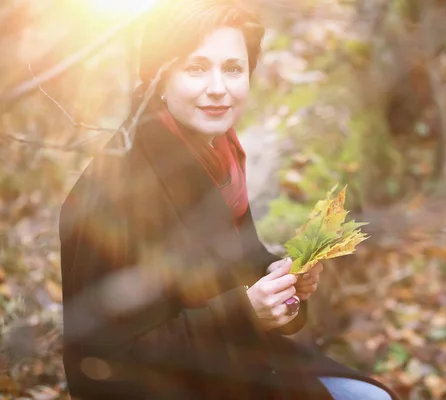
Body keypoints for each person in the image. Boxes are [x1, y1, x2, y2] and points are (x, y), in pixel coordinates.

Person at [58, 1, 397, 399]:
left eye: (233, 69)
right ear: (158, 80)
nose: (218, 88)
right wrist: (244, 314)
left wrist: (284, 282)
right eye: (196, 68)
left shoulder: (217, 156)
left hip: (239, 366)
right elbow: (105, 361)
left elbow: (238, 265)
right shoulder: (114, 192)